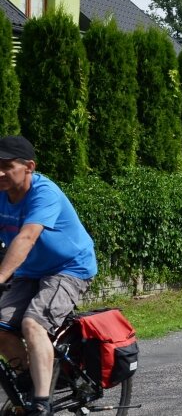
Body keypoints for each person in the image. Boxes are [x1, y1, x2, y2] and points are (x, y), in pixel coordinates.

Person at [0, 136, 97, 416]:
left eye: (7, 166)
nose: (0, 172)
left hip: (68, 268)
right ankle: (33, 378)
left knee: (33, 323)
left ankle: (41, 405)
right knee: (2, 327)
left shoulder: (45, 193)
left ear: (29, 166)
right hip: (30, 270)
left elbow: (27, 236)